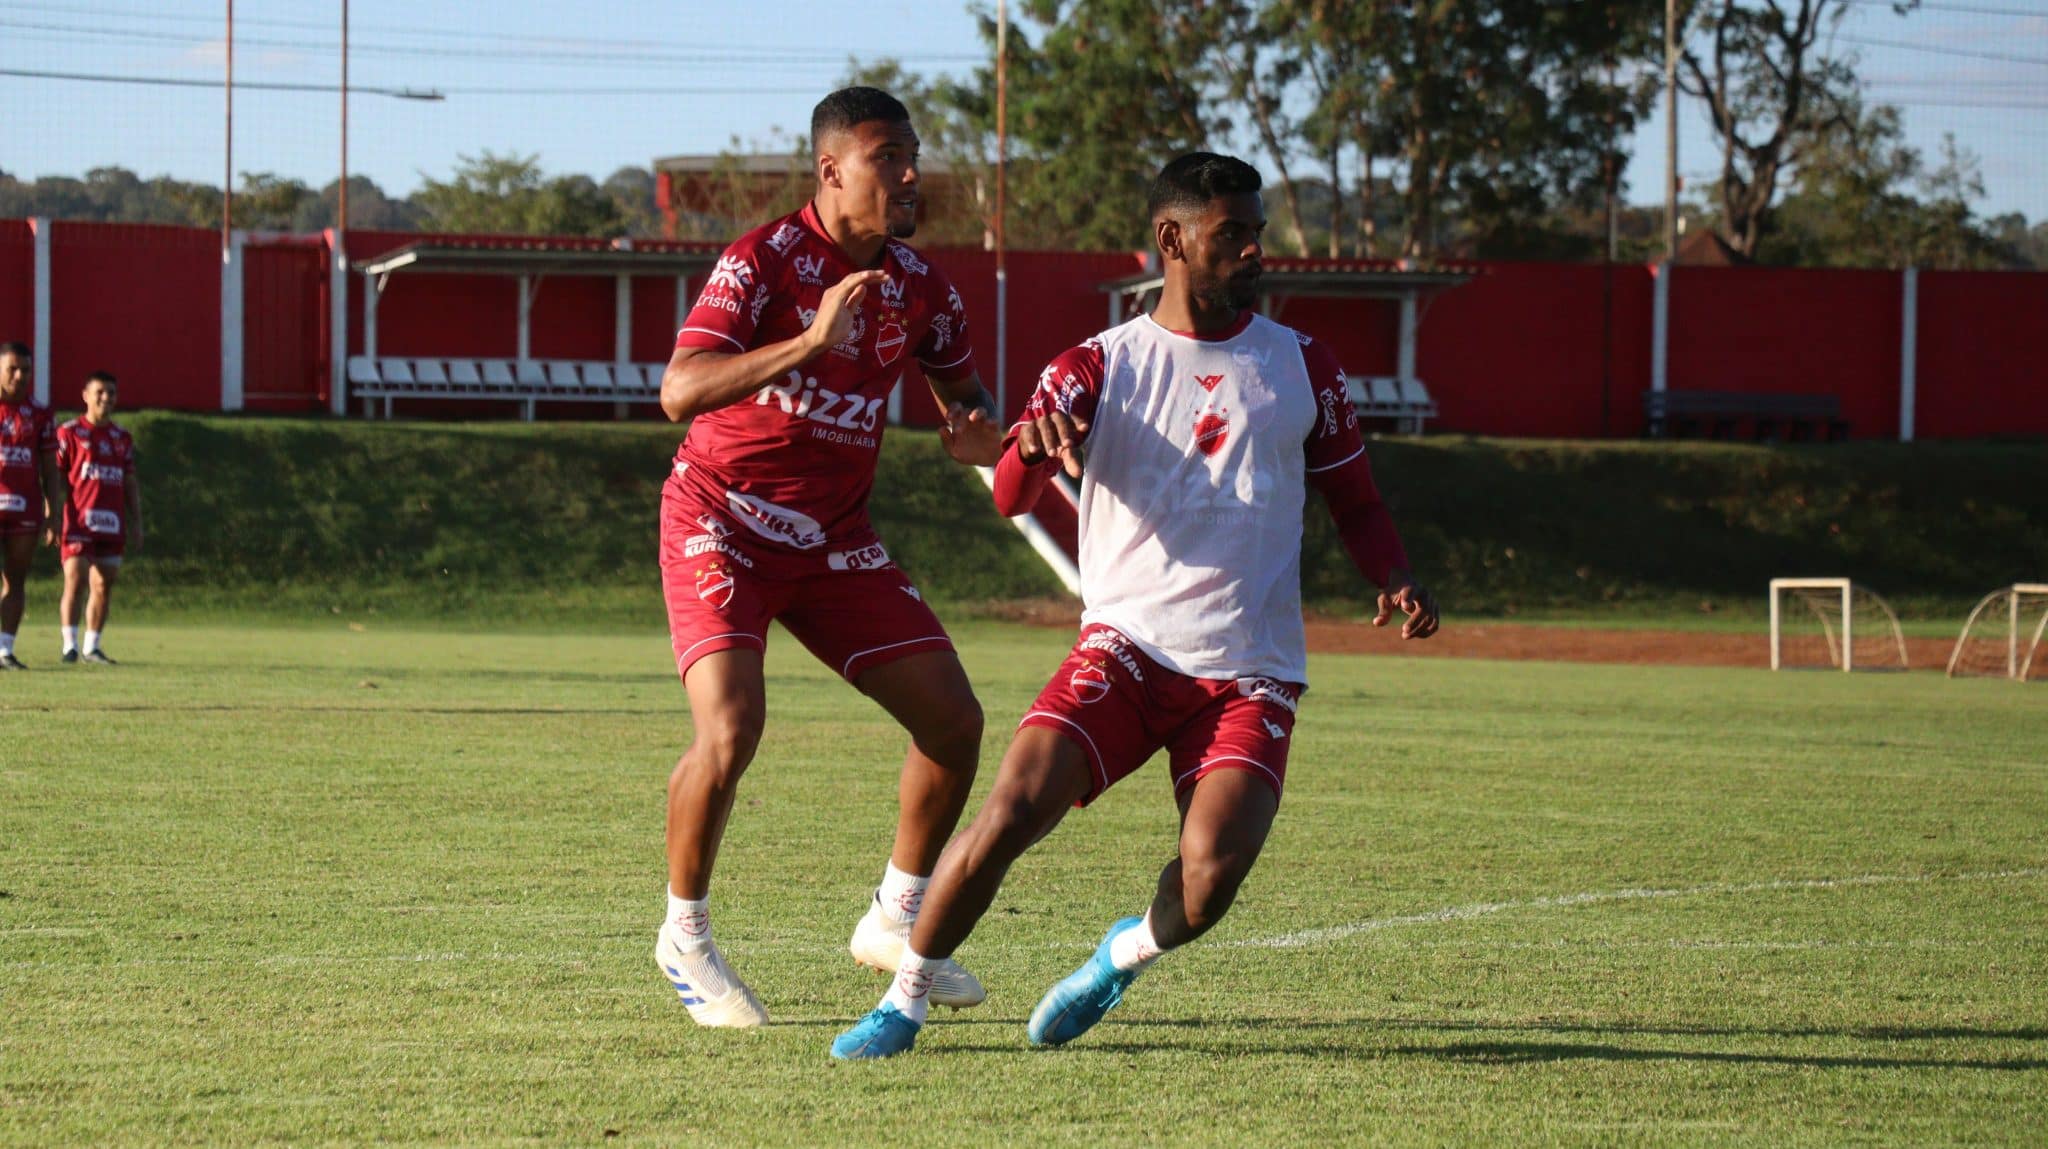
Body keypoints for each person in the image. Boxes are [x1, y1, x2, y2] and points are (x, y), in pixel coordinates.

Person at [832, 152, 1439, 1060]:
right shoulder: (1096, 364)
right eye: (1232, 232)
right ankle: (905, 1002)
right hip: (1126, 650)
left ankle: (1121, 954)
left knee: (1210, 880)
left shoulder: (1304, 365)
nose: (1254, 249)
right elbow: (1005, 490)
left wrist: (1392, 573)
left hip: (1250, 671)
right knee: (1007, 813)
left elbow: (1355, 499)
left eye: (1256, 231)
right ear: (1173, 239)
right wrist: (1028, 447)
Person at [651, 86, 1004, 1027]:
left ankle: (895, 916)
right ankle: (683, 934)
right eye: (887, 156)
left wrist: (989, 439)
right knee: (730, 731)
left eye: (913, 155)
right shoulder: (761, 260)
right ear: (831, 169)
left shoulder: (924, 285)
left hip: (835, 538)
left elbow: (967, 400)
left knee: (955, 723)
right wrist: (807, 341)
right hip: (721, 518)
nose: (910, 174)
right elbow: (679, 390)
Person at [55, 372, 142, 665]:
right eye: (100, 392)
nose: (106, 398)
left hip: (111, 522)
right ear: (85, 395)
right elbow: (55, 477)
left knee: (105, 584)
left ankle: (92, 647)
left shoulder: (122, 438)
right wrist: (51, 514)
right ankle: (69, 645)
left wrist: (137, 521)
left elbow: (129, 481)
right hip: (78, 522)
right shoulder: (69, 433)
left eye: (112, 393)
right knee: (76, 579)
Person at [0, 341, 63, 671]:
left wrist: (55, 513)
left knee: (16, 579)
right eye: (12, 368)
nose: (20, 375)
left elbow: (51, 468)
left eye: (25, 370)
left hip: (25, 508)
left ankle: (5, 649)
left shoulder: (40, 413)